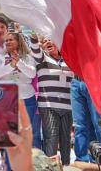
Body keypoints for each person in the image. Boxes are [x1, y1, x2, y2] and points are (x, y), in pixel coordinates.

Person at [0, 29, 42, 150]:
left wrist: (19, 62)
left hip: (27, 99)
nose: (7, 42)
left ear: (18, 41)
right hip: (8, 101)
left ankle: (35, 161)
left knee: (30, 133)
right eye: (6, 40)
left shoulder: (28, 57)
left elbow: (31, 74)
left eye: (11, 39)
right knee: (9, 133)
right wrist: (11, 65)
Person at [27, 35, 74, 164]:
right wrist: (34, 36)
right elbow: (35, 48)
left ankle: (65, 165)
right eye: (45, 41)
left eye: (50, 39)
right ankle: (50, 167)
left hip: (68, 106)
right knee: (51, 137)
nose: (48, 42)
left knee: (66, 140)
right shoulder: (42, 59)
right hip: (48, 105)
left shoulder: (69, 59)